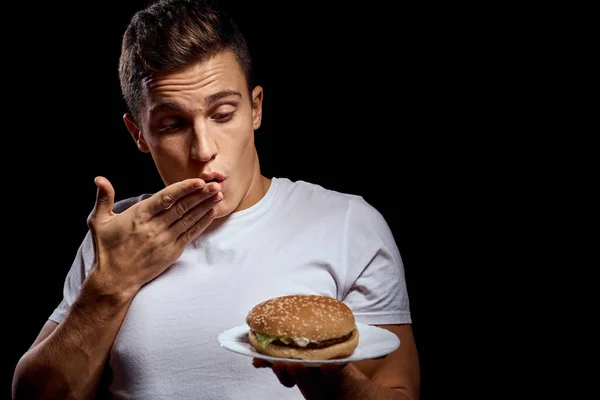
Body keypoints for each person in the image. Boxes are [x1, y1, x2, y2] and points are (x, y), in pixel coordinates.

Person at [11, 0, 420, 399]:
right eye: (172, 125)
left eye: (223, 114)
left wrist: (329, 380)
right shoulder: (120, 233)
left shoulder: (347, 223)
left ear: (255, 109)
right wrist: (110, 285)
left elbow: (399, 389)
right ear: (138, 134)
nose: (203, 148)